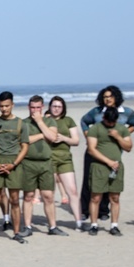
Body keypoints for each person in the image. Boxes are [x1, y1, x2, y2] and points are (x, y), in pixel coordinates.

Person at [0, 91, 28, 243]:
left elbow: (24, 147)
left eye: (7, 106)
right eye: (1, 106)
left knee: (15, 200)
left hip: (14, 164)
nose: (4, 109)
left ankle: (16, 232)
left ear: (12, 105)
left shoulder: (21, 124)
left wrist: (13, 164)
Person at [20, 96, 66, 236]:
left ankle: (53, 226)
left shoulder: (49, 120)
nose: (35, 110)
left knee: (48, 196)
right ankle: (27, 226)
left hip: (46, 163)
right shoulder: (23, 123)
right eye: (33, 107)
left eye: (38, 107)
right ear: (28, 107)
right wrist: (42, 135)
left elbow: (53, 137)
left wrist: (40, 121)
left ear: (42, 107)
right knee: (28, 196)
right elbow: (23, 140)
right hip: (28, 163)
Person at [85, 107, 133, 236]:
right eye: (108, 121)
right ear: (103, 118)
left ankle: (114, 225)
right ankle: (94, 225)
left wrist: (118, 137)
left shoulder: (121, 129)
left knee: (115, 197)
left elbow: (128, 147)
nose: (110, 124)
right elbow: (91, 149)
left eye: (112, 122)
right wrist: (108, 162)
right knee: (96, 197)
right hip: (99, 166)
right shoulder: (95, 128)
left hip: (117, 167)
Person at [47, 96, 83, 228]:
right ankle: (53, 224)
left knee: (72, 191)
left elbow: (76, 141)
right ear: (50, 107)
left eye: (59, 106)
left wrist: (63, 138)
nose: (56, 109)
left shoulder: (68, 121)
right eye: (54, 106)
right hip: (49, 159)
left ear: (63, 108)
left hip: (65, 159)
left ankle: (79, 221)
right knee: (50, 193)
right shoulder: (45, 120)